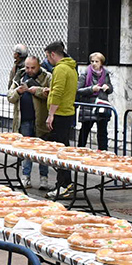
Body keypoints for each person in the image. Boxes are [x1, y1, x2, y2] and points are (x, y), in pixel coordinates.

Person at [9, 55, 51, 189]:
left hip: (40, 120)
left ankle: (44, 178)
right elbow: (10, 96)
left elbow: (51, 94)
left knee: (42, 151)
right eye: (27, 67)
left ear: (39, 66)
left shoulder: (47, 77)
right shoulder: (19, 76)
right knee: (26, 150)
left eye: (33, 67)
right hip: (24, 120)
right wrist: (18, 92)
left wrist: (35, 91)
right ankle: (25, 177)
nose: (29, 70)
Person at [44, 41, 79, 198]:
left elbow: (58, 92)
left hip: (60, 114)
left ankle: (63, 184)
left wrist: (51, 114)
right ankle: (66, 183)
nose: (47, 60)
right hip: (67, 112)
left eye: (47, 56)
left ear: (52, 54)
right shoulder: (71, 68)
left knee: (58, 151)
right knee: (63, 148)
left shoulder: (60, 69)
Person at [76, 51, 114, 151]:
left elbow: (110, 89)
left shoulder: (105, 74)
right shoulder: (85, 73)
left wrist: (108, 87)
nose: (94, 63)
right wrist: (91, 89)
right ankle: (80, 151)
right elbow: (78, 89)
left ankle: (103, 152)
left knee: (102, 132)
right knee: (85, 130)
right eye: (92, 61)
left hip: (101, 105)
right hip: (88, 106)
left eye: (96, 61)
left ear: (101, 63)